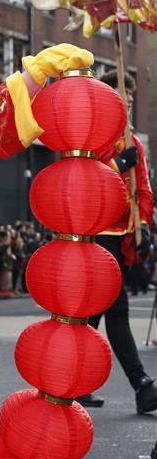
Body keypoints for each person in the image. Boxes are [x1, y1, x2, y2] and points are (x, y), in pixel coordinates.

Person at [78, 71, 157, 414]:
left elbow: (144, 190)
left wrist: (144, 228)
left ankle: (70, 383)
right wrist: (115, 164)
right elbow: (83, 177)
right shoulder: (94, 134)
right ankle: (141, 384)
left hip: (120, 238)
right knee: (116, 309)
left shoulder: (133, 141)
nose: (127, 99)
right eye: (120, 92)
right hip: (96, 236)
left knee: (94, 314)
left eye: (130, 94)